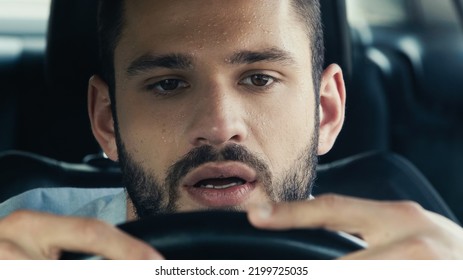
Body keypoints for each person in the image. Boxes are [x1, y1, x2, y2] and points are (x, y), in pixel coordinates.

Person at [1, 0, 463, 260]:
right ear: (106, 119)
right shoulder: (16, 241)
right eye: (168, 84)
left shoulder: (407, 257)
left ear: (325, 111)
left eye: (259, 79)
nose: (219, 128)